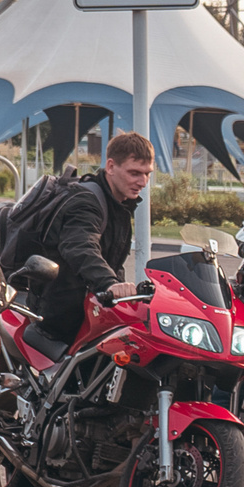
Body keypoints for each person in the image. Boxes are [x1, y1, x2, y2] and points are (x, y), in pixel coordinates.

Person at [32, 132, 157, 352]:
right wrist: (109, 283)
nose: (143, 182)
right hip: (62, 315)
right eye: (134, 173)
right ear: (111, 166)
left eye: (147, 174)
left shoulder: (118, 203)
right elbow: (80, 246)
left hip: (91, 309)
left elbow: (112, 260)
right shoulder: (86, 202)